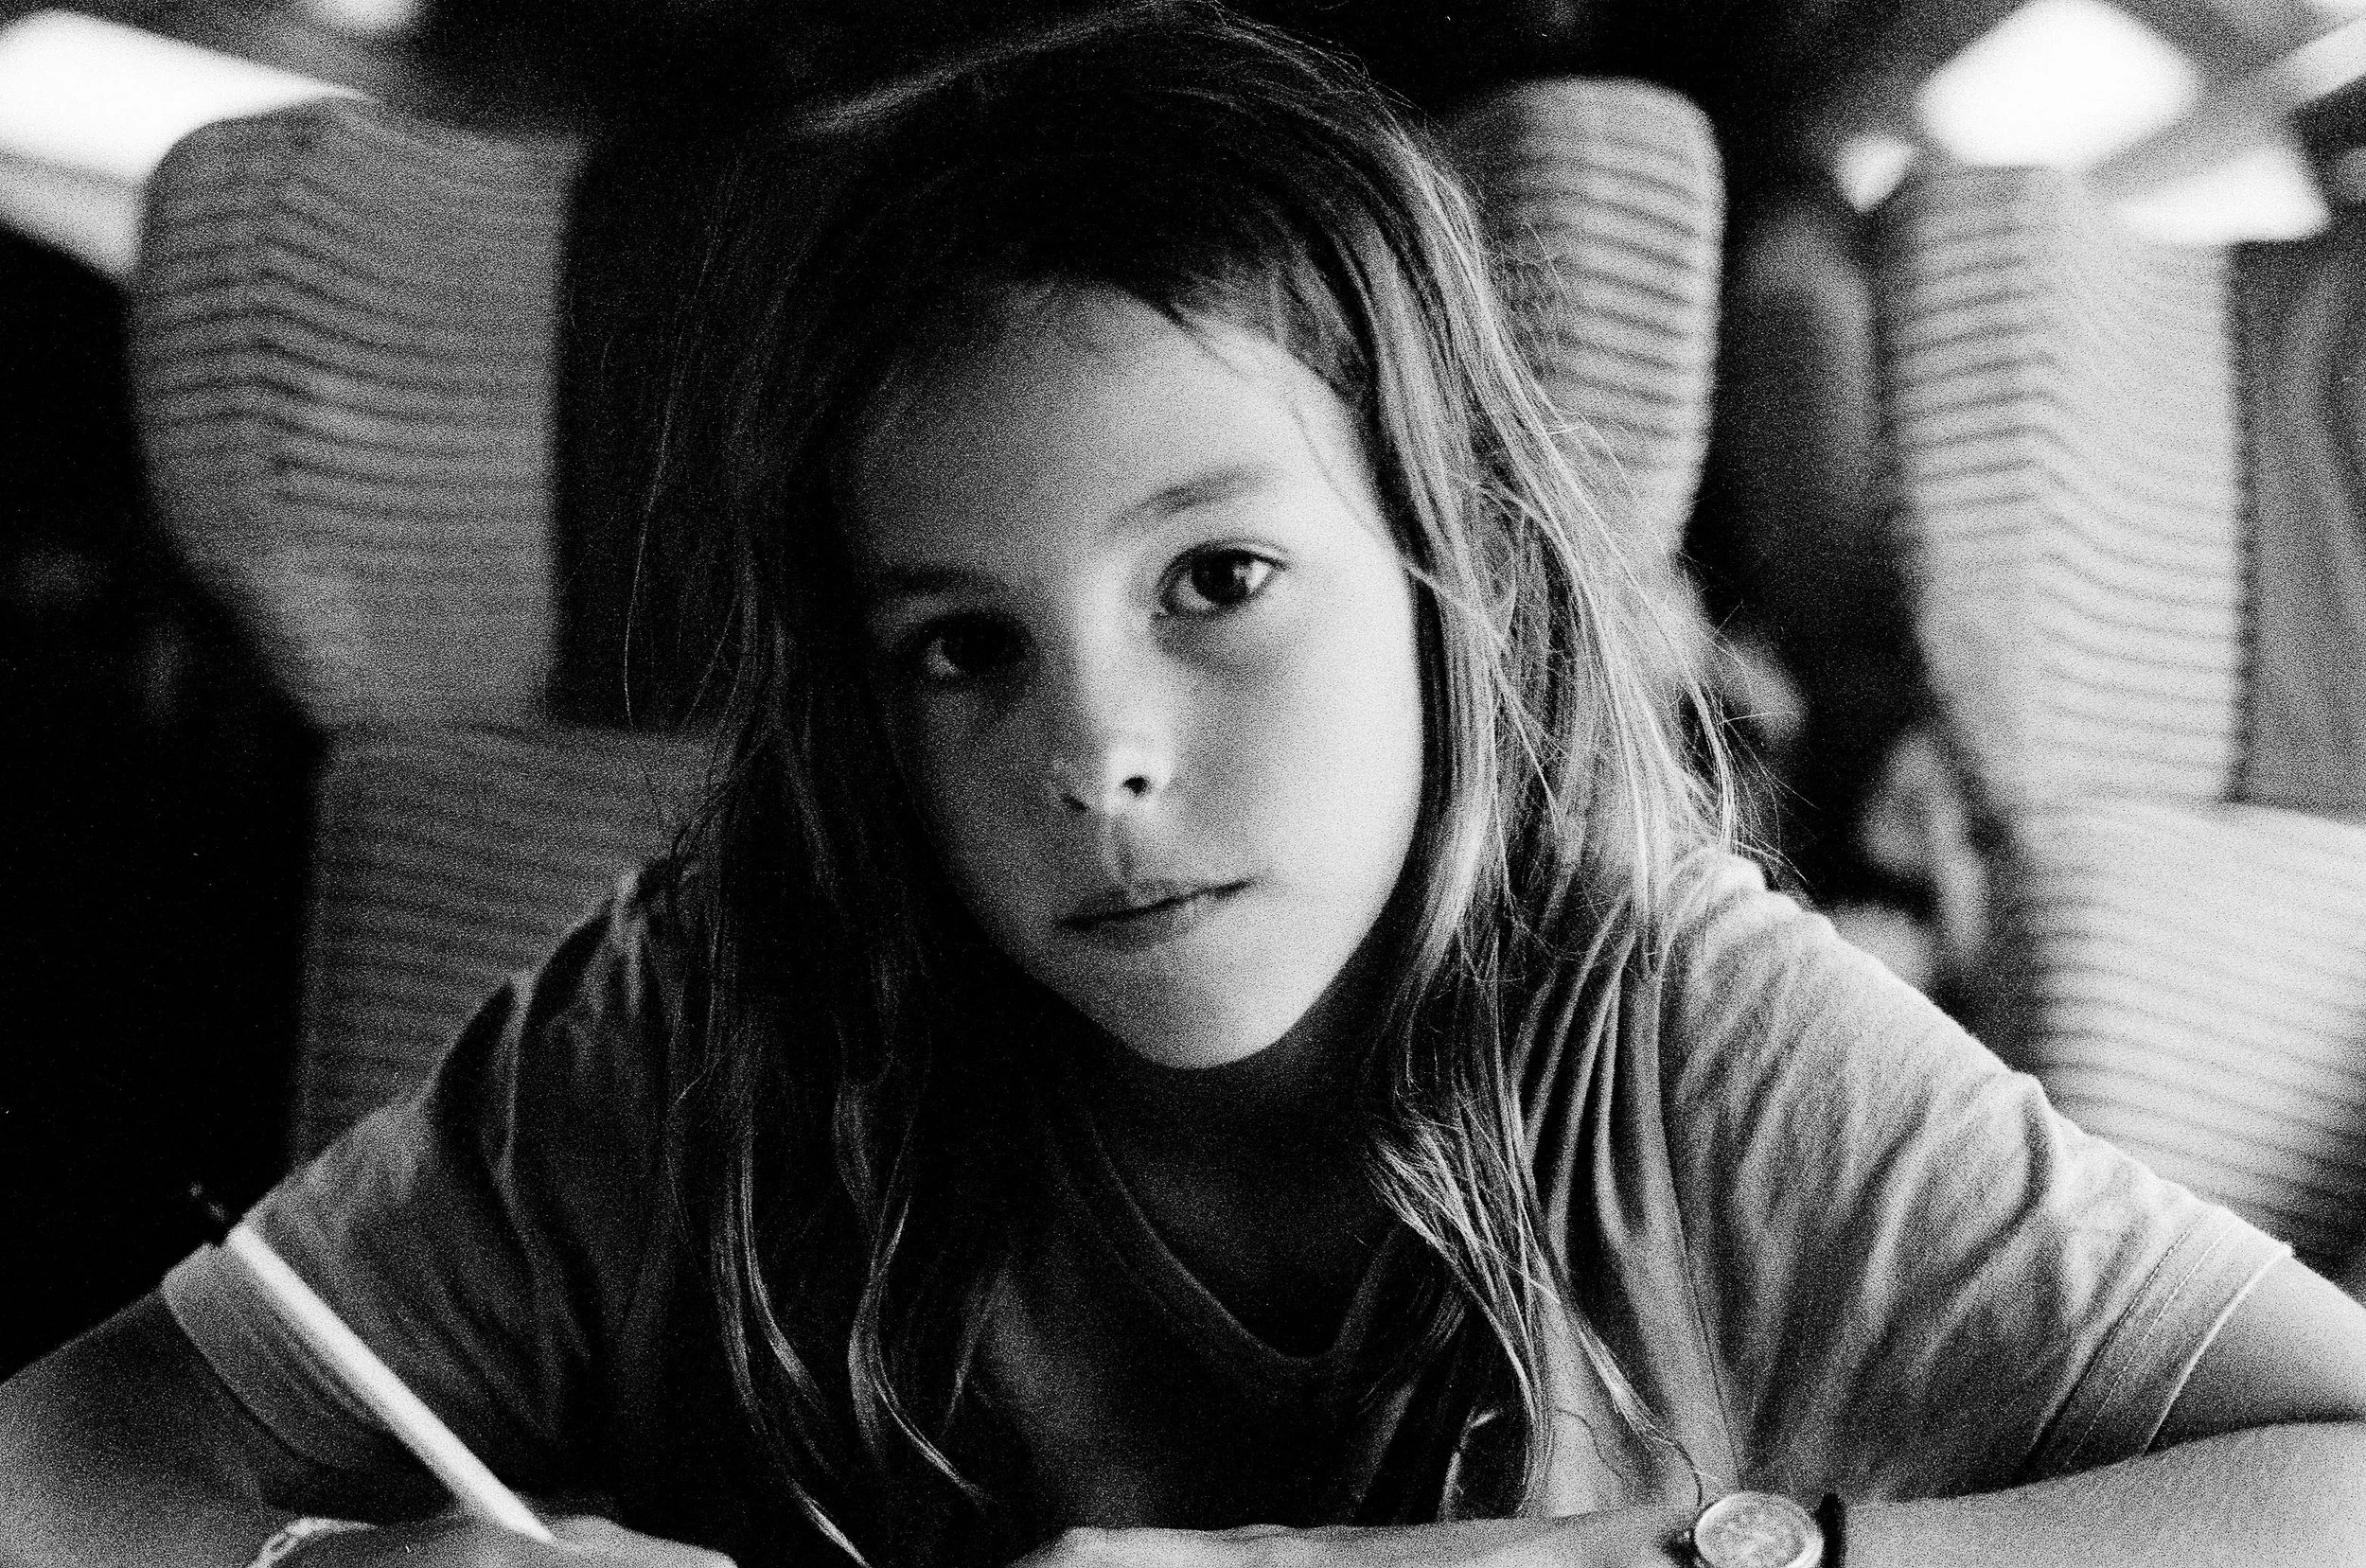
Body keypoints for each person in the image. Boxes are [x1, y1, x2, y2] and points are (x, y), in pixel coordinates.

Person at [6, 5, 2365, 1565]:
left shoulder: (1664, 1041)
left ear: (1451, 576)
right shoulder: (705, 1027)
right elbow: (99, 1446)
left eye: (1216, 578)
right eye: (957, 650)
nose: (1097, 754)